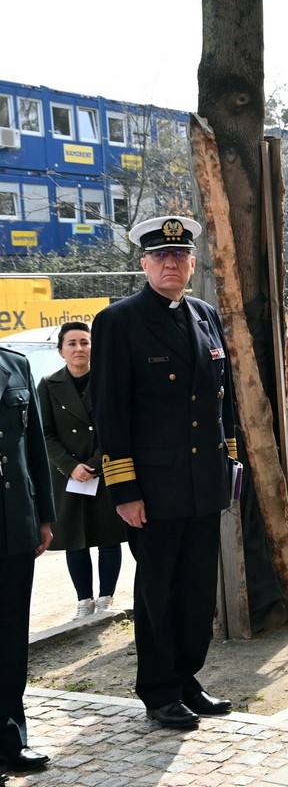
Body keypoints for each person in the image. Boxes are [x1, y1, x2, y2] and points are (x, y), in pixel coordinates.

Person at [91, 215, 238, 730]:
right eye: (160, 255)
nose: (170, 263)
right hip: (153, 487)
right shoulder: (119, 321)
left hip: (203, 480)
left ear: (193, 263)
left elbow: (223, 400)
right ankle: (158, 689)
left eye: (179, 255)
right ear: (144, 263)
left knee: (197, 588)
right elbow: (110, 412)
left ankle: (187, 678)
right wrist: (124, 488)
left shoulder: (204, 315)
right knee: (159, 588)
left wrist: (230, 462)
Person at [38, 322, 127, 621]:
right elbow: (44, 433)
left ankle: (105, 599)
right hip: (68, 475)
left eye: (85, 342)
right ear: (61, 350)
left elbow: (118, 425)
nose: (79, 349)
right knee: (74, 539)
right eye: (72, 343)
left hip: (103, 469)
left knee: (108, 537)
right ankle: (83, 601)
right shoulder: (48, 384)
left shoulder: (108, 381)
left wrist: (97, 462)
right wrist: (70, 466)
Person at [0, 346, 56, 779]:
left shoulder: (14, 363)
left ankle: (10, 740)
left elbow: (34, 444)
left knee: (11, 637)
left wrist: (44, 516)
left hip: (13, 523)